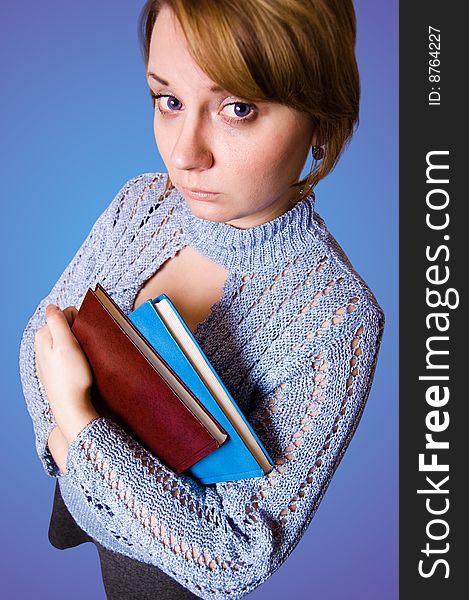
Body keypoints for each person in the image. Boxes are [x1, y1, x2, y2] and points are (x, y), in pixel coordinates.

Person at [19, 1, 385, 598]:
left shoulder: (337, 318)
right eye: (168, 100)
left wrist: (79, 430)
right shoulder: (139, 203)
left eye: (237, 108)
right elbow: (40, 333)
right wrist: (71, 456)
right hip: (83, 499)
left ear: (320, 119)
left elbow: (234, 556)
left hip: (154, 581)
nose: (185, 153)